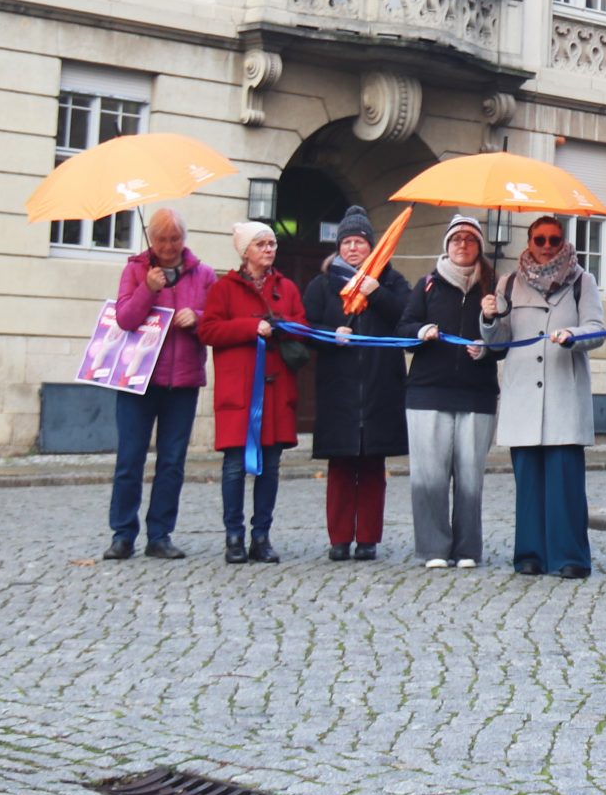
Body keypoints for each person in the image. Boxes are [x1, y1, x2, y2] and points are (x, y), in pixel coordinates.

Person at [485, 215, 605, 579]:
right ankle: (530, 555)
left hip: (563, 394)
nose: (548, 246)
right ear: (529, 241)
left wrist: (574, 335)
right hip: (523, 396)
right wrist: (490, 318)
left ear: (564, 241)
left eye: (554, 239)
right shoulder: (507, 283)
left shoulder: (583, 280)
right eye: (540, 239)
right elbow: (499, 344)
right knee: (529, 487)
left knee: (565, 486)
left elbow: (598, 331)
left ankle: (570, 557)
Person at [103, 207, 213, 561]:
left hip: (182, 381)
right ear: (152, 239)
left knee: (172, 462)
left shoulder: (204, 274)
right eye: (162, 239)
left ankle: (160, 535)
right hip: (138, 380)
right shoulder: (135, 270)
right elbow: (125, 319)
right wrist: (148, 290)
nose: (168, 246)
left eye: (175, 239)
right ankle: (123, 534)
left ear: (185, 238)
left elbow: (215, 323)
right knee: (130, 459)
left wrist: (196, 318)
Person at [197, 221, 305, 564]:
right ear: (245, 252)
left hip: (274, 391)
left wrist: (281, 324)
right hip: (240, 393)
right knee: (234, 466)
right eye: (261, 244)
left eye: (272, 243)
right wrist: (249, 327)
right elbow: (208, 329)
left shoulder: (286, 287)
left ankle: (262, 535)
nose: (269, 249)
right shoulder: (223, 288)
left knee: (270, 465)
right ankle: (234, 536)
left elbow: (303, 327)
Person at [305, 207, 408, 562]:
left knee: (372, 468)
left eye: (359, 242)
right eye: (346, 242)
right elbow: (307, 328)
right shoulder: (323, 285)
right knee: (341, 467)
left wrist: (376, 292)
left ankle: (367, 538)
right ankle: (338, 538)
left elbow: (406, 316)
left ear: (371, 247)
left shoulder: (391, 281)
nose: (352, 248)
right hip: (340, 389)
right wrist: (330, 335)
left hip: (380, 388)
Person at [399, 215, 500, 569]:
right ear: (447, 245)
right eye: (456, 238)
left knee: (470, 476)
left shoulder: (494, 287)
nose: (462, 244)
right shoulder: (427, 285)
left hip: (477, 396)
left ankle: (468, 549)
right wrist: (422, 329)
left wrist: (489, 329)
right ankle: (433, 548)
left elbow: (505, 343)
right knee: (429, 475)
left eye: (469, 239)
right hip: (428, 394)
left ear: (478, 246)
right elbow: (404, 327)